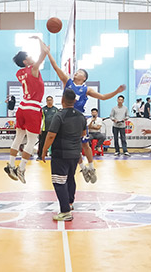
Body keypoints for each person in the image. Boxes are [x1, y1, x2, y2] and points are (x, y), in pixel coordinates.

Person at [47, 50, 125, 181]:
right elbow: (55, 67)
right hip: (65, 117)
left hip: (78, 118)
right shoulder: (67, 82)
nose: (76, 73)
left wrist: (116, 91)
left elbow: (103, 97)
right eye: (76, 71)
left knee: (85, 144)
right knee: (73, 146)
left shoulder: (86, 89)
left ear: (84, 78)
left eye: (79, 72)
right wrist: (48, 53)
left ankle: (91, 168)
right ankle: (83, 168)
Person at [4, 36, 49, 184]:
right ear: (25, 61)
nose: (31, 57)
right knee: (31, 141)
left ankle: (11, 165)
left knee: (18, 137)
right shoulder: (34, 69)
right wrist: (39, 39)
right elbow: (45, 52)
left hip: (22, 107)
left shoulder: (19, 73)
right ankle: (21, 169)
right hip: (32, 107)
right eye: (28, 55)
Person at [40, 89, 87, 221]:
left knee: (59, 182)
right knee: (70, 178)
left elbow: (51, 135)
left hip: (61, 154)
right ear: (75, 101)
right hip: (75, 154)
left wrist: (44, 150)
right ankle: (70, 203)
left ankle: (65, 211)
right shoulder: (81, 116)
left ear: (62, 100)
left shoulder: (59, 115)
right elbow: (83, 135)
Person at [39, 96, 58, 160]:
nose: (49, 101)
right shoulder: (43, 109)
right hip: (44, 129)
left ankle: (54, 155)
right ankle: (40, 156)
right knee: (42, 143)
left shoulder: (56, 109)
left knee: (54, 143)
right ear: (46, 101)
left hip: (53, 129)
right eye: (48, 100)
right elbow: (39, 119)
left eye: (50, 100)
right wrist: (39, 128)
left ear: (53, 101)